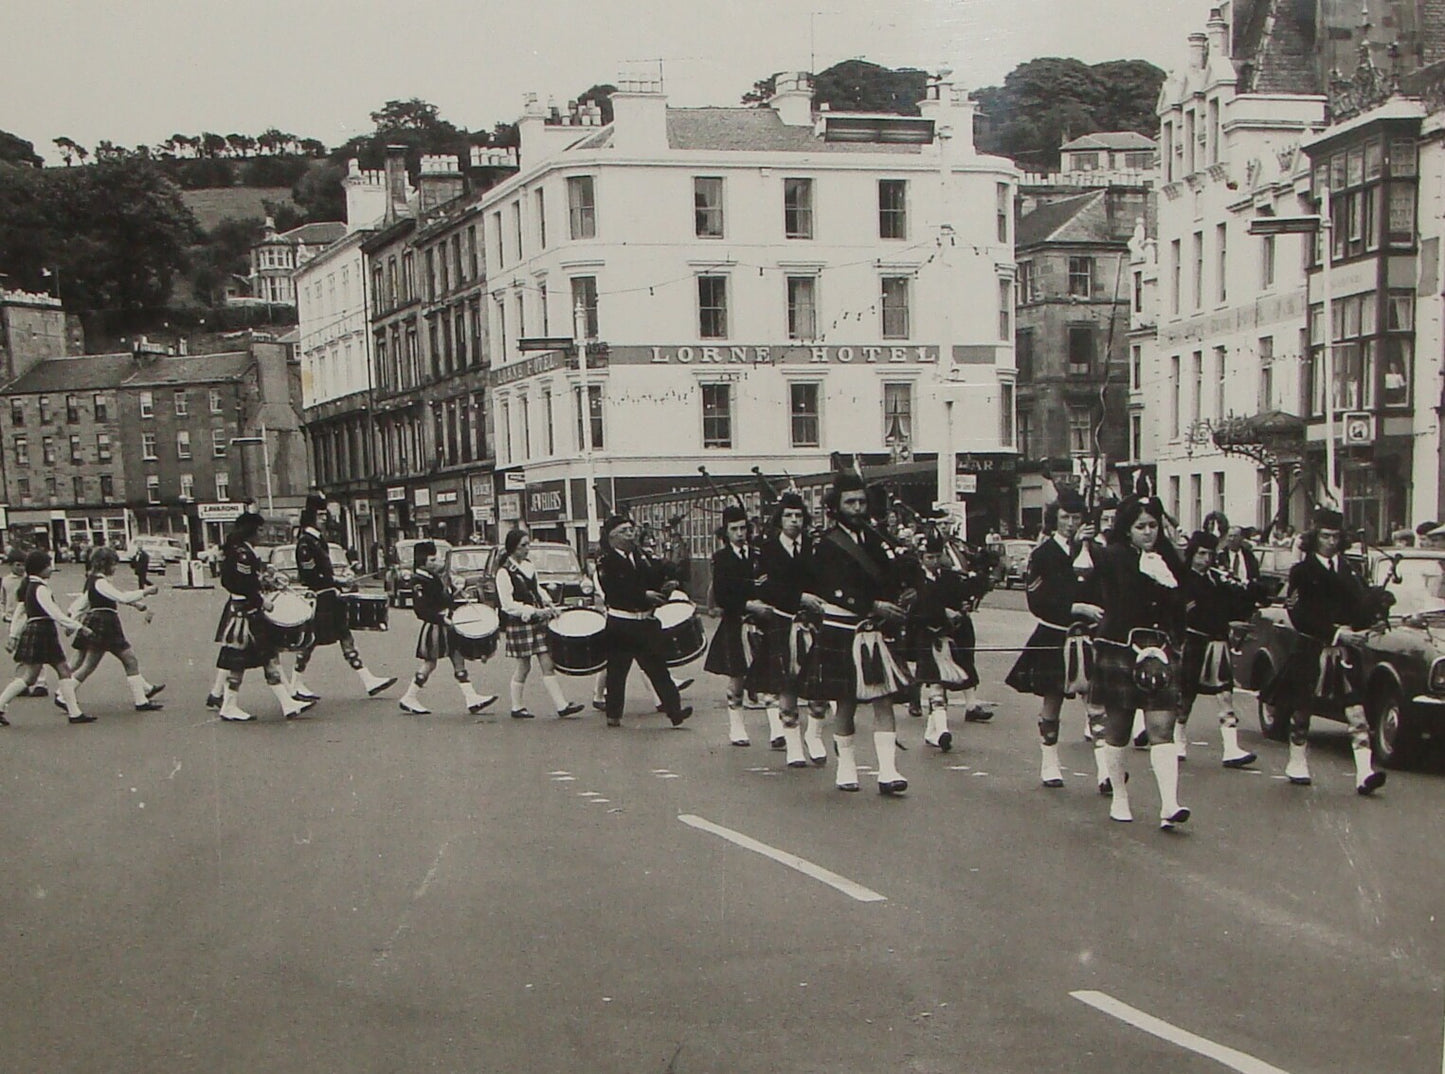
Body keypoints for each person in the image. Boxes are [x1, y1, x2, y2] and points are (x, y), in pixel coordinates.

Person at [797, 472, 911, 795]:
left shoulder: (875, 539)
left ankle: (888, 771)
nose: (858, 508)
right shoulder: (827, 543)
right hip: (842, 628)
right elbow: (834, 589)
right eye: (851, 502)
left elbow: (890, 574)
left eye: (861, 501)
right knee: (845, 702)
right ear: (837, 506)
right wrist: (874, 604)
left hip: (872, 630)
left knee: (882, 698)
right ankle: (846, 766)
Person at [1260, 507, 1387, 794]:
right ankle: (1297, 761)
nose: (1330, 542)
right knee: (1302, 711)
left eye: (1335, 537)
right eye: (1325, 536)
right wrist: (1336, 632)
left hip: (1344, 653)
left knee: (1357, 711)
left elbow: (1359, 608)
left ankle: (1364, 772)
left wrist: (1374, 616)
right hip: (1313, 647)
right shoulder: (1302, 572)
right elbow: (1296, 612)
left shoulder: (1350, 570)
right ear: (1315, 537)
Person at [1089, 497, 1190, 829]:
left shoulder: (1168, 559)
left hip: (1158, 649)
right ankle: (1119, 796)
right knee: (1118, 729)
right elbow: (1095, 573)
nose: (1149, 533)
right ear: (1126, 529)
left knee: (1162, 727)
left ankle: (1170, 804)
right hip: (1121, 647)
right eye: (1141, 527)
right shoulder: (1112, 556)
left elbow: (1184, 599)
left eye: (1153, 526)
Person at [1004, 489, 1109, 791]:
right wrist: (1073, 606)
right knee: (1053, 699)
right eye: (1064, 517)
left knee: (1097, 703)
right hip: (1054, 634)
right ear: (1054, 520)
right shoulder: (1044, 553)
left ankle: (1105, 770)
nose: (1070, 523)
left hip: (1088, 635)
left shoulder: (1095, 552)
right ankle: (1050, 762)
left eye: (1076, 517)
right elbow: (1037, 599)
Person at [287, 493, 397, 703]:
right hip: (320, 598)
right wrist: (337, 581)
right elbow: (311, 575)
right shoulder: (305, 543)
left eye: (324, 514)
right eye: (320, 515)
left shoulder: (318, 540)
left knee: (343, 635)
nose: (324, 518)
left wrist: (338, 580)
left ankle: (368, 679)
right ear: (311, 516)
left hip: (330, 596)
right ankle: (294, 684)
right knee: (310, 640)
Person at [746, 492, 827, 767]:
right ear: (779, 520)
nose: (794, 521)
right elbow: (765, 587)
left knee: (818, 686)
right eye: (788, 516)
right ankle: (793, 744)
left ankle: (814, 736)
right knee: (786, 684)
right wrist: (798, 597)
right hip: (783, 621)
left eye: (798, 516)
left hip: (812, 623)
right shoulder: (767, 549)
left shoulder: (814, 547)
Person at [214, 511, 315, 722]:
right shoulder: (242, 553)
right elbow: (239, 583)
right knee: (242, 663)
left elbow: (248, 580)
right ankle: (229, 705)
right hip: (245, 614)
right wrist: (261, 600)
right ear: (249, 530)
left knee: (267, 657)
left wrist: (267, 580)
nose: (262, 533)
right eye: (259, 529)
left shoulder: (244, 551)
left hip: (247, 612)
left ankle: (287, 704)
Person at [596, 515, 692, 729]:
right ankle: (613, 714)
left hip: (644, 622)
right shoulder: (606, 561)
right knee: (617, 673)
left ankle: (675, 712)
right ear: (613, 537)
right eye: (625, 531)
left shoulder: (640, 556)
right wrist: (643, 595)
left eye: (632, 530)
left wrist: (667, 582)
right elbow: (615, 590)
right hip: (621, 623)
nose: (631, 534)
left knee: (658, 668)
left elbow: (654, 575)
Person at [1177, 531, 1259, 768]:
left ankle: (1231, 748)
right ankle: (1178, 739)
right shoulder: (1184, 580)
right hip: (1194, 642)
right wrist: (1226, 622)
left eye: (1210, 554)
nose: (1206, 559)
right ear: (1192, 554)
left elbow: (1236, 603)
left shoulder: (1218, 579)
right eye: (1201, 554)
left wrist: (1245, 588)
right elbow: (1193, 613)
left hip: (1218, 643)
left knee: (1225, 694)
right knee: (1186, 695)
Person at [397, 542, 499, 715]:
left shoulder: (432, 577)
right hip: (436, 626)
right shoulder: (418, 580)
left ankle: (471, 697)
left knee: (457, 659)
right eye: (432, 559)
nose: (437, 562)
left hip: (446, 624)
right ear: (423, 561)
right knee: (430, 663)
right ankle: (409, 697)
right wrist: (441, 618)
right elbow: (420, 609)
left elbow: (443, 599)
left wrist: (456, 593)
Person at [905, 533, 982, 753]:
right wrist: (940, 612)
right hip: (925, 636)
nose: (935, 561)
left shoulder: (948, 578)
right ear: (921, 558)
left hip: (946, 637)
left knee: (939, 683)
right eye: (930, 556)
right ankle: (943, 730)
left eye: (938, 556)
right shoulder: (914, 581)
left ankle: (933, 732)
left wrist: (962, 608)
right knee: (935, 683)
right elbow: (914, 611)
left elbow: (959, 599)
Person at [496, 528, 583, 720]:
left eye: (528, 545)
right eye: (523, 546)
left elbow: (536, 588)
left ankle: (561, 705)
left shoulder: (528, 566)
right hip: (521, 621)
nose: (527, 550)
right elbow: (507, 604)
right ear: (512, 548)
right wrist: (533, 611)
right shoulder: (503, 572)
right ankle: (517, 706)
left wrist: (548, 603)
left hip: (537, 620)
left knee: (547, 662)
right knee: (523, 666)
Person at [67, 546, 165, 711]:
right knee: (104, 663)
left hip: (100, 622)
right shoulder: (100, 582)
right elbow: (121, 597)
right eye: (113, 564)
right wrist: (145, 591)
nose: (115, 568)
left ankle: (142, 697)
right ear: (104, 564)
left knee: (125, 660)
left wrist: (72, 620)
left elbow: (81, 604)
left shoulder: (93, 581)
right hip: (105, 623)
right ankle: (65, 694)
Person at [0, 550, 91, 724]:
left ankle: (75, 712)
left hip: (38, 630)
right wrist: (78, 627)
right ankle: (74, 712)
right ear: (39, 568)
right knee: (39, 674)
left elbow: (21, 612)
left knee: (55, 671)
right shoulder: (40, 588)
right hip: (43, 630)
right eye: (48, 566)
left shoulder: (29, 586)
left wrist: (14, 634)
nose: (51, 569)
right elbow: (54, 612)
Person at [705, 505, 756, 746]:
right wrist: (748, 604)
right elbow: (723, 593)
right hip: (736, 621)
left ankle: (778, 728)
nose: (740, 533)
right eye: (734, 529)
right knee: (738, 675)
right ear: (726, 532)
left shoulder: (757, 554)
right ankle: (737, 726)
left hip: (760, 622)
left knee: (767, 673)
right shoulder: (721, 558)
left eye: (743, 528)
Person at [664, 516, 693, 593]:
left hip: (680, 569)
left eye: (675, 537)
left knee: (680, 586)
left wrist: (677, 564)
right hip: (673, 568)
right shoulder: (671, 545)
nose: (673, 539)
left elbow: (683, 557)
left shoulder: (682, 546)